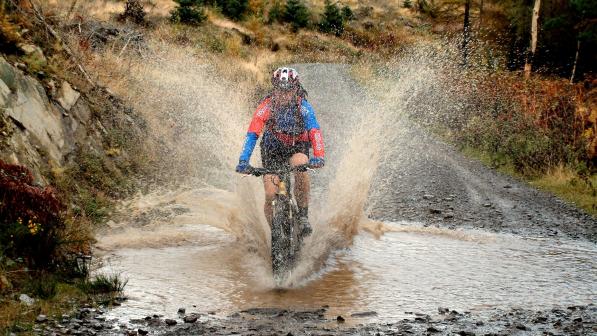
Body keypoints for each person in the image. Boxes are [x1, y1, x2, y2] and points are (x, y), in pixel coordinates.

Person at [235, 67, 325, 236]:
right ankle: (276, 236)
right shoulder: (266, 106)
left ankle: (303, 215)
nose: (283, 95)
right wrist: (243, 160)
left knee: (300, 164)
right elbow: (252, 134)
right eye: (279, 90)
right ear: (274, 88)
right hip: (272, 149)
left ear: (295, 89)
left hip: (297, 146)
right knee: (270, 194)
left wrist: (319, 157)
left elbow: (314, 131)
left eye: (288, 90)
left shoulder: (303, 106)